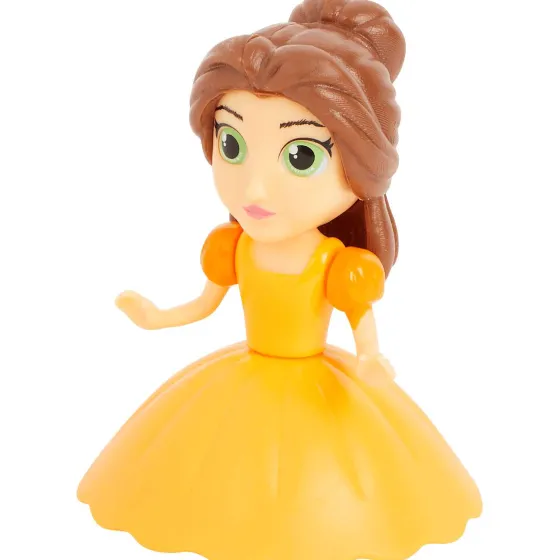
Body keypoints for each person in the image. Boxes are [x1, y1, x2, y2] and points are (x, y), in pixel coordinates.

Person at [78, 1, 482, 558]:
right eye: (232, 145)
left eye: (300, 156)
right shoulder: (235, 246)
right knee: (213, 484)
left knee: (317, 496)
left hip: (319, 396)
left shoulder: (338, 263)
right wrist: (157, 317)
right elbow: (204, 304)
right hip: (239, 382)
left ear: (361, 166)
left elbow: (363, 326)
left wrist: (370, 359)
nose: (255, 189)